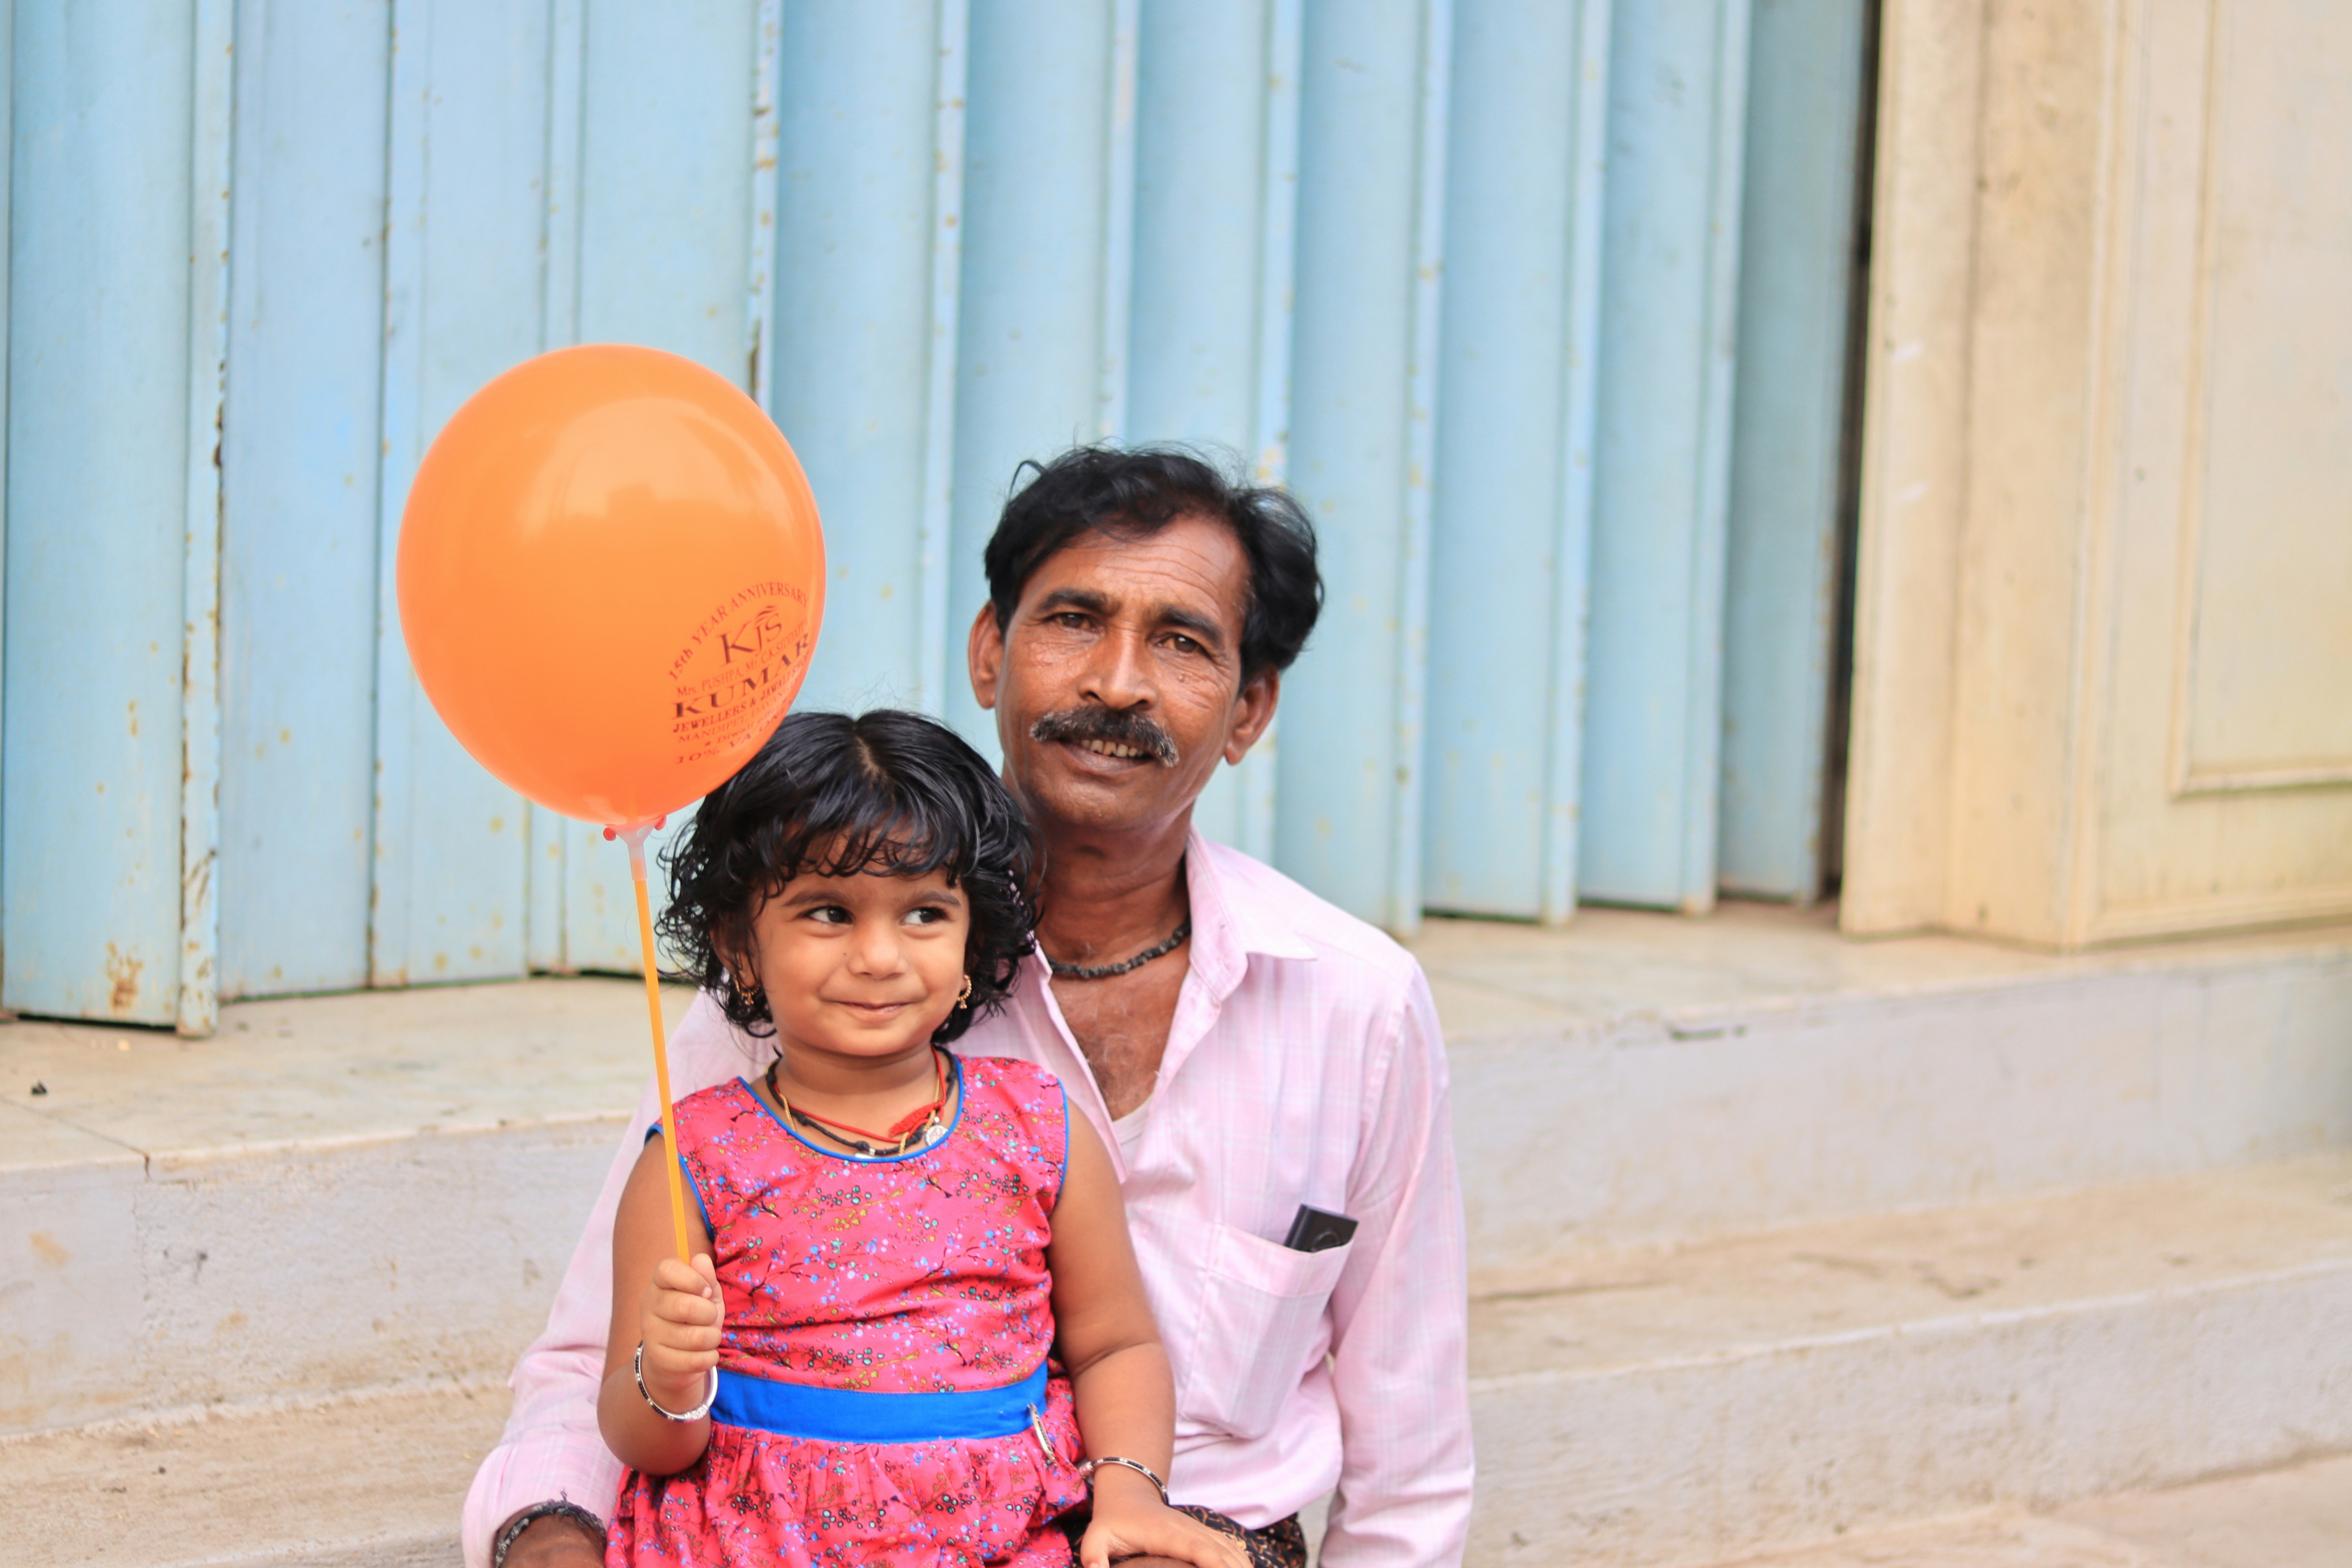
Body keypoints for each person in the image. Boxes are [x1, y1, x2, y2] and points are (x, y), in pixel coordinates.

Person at [467, 446, 1472, 1568]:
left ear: (1249, 710)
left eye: (1183, 642)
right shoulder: (804, 1005)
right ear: (990, 654)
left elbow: (1411, 1447)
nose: (1117, 682)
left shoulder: (1357, 1002)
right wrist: (549, 1537)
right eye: (1074, 620)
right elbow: (599, 1361)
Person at [599, 708, 1242, 1568]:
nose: (879, 955)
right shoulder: (693, 1160)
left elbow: (1116, 1341)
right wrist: (667, 1378)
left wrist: (1128, 1488)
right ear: (740, 949)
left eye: (924, 913)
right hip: (760, 1540)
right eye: (828, 912)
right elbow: (645, 1441)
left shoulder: (1039, 1129)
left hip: (1002, 1538)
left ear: (974, 933)